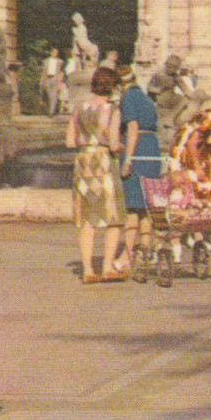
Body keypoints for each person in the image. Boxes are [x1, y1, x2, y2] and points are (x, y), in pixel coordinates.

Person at [67, 65, 126, 283]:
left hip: (83, 164)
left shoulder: (78, 107)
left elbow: (70, 141)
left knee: (86, 217)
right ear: (112, 87)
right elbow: (111, 142)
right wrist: (119, 146)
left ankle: (88, 270)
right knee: (113, 216)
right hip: (103, 163)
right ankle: (108, 267)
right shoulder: (112, 109)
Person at [114, 65, 161, 274]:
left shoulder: (128, 99)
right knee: (146, 207)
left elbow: (132, 129)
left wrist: (128, 161)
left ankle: (128, 255)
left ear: (122, 84)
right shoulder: (146, 98)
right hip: (152, 149)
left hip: (138, 149)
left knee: (133, 206)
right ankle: (146, 250)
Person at [41, 48, 65, 115]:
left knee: (54, 96)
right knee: (49, 96)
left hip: (55, 78)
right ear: (51, 53)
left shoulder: (60, 62)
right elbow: (44, 72)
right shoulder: (46, 61)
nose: (55, 54)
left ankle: (51, 112)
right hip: (48, 79)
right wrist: (42, 81)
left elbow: (61, 72)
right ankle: (50, 109)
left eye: (56, 53)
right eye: (54, 52)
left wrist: (60, 81)